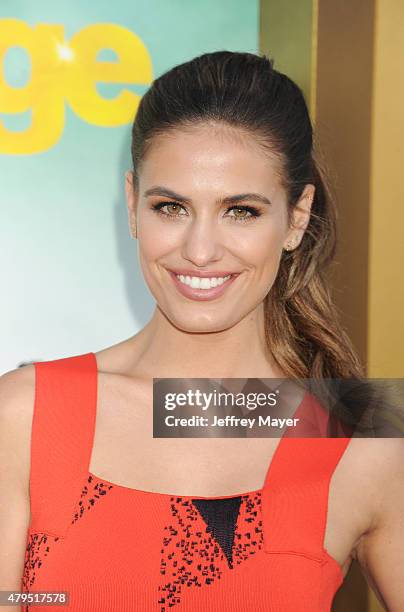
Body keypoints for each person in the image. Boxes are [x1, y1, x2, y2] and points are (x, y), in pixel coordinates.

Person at [1, 50, 403, 612]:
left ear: (297, 217)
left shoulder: (361, 436)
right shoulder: (27, 415)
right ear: (133, 206)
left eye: (240, 211)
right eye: (171, 207)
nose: (200, 251)